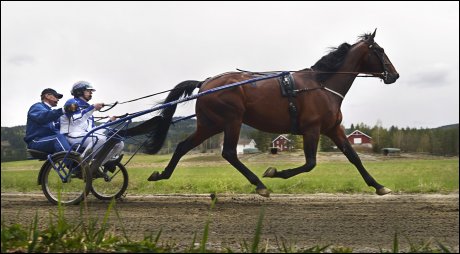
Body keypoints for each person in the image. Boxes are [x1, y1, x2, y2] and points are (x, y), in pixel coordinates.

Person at [60, 81, 124, 171]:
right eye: (88, 91)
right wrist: (93, 108)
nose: (91, 93)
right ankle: (81, 165)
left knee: (119, 143)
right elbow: (76, 120)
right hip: (72, 135)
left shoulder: (88, 109)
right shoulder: (71, 102)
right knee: (99, 138)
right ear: (79, 91)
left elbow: (94, 131)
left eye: (91, 91)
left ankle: (94, 167)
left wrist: (109, 122)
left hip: (86, 136)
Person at [24, 88, 72, 154]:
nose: (58, 99)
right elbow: (43, 117)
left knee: (71, 140)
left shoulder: (51, 112)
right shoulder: (37, 106)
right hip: (35, 141)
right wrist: (63, 110)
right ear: (47, 96)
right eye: (56, 96)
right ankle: (72, 163)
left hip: (48, 139)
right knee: (58, 138)